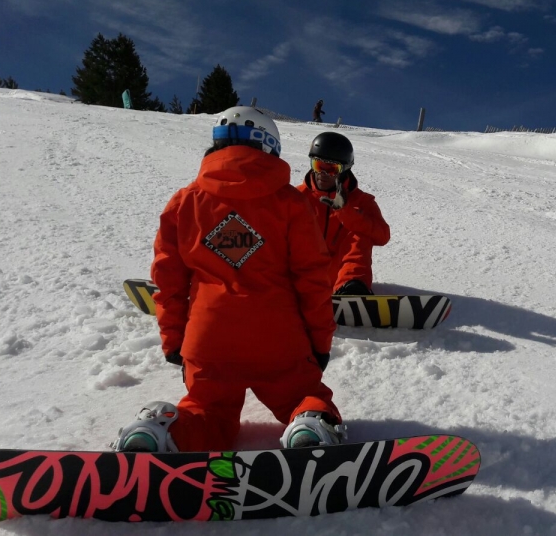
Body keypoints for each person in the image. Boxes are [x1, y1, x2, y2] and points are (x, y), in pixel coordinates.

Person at [112, 107, 346, 453]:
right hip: (278, 339)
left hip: (208, 340)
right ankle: (311, 426)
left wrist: (174, 340)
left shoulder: (185, 201)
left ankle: (163, 432)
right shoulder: (291, 203)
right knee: (303, 396)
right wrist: (320, 343)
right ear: (269, 147)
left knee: (207, 412)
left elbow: (168, 282)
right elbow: (313, 281)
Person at [297, 132, 390, 295]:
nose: (322, 173)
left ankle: (352, 291)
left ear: (345, 169)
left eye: (332, 169)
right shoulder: (296, 197)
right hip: (299, 276)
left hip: (337, 277)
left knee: (360, 234)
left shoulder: (362, 201)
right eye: (318, 165)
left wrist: (346, 212)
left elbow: (382, 236)